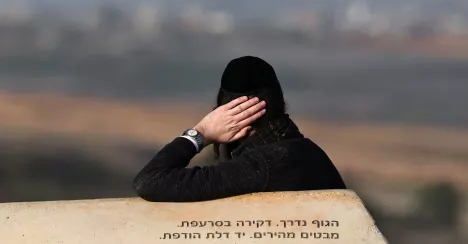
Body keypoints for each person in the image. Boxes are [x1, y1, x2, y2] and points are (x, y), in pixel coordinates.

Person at [133, 56, 346, 202]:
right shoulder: (305, 151)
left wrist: (201, 133)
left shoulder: (265, 165)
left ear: (228, 113)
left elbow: (149, 181)